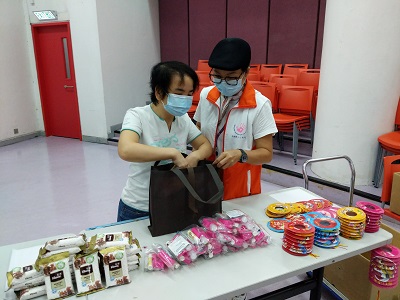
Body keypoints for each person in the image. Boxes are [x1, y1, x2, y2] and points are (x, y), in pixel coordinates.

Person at [117, 61, 213, 222]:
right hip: (138, 207)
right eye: (179, 92)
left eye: (190, 94)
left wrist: (194, 157)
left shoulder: (182, 119)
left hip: (173, 203)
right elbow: (126, 150)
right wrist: (172, 153)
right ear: (159, 92)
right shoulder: (137, 115)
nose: (186, 99)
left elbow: (205, 145)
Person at [194, 37, 278, 201]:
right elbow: (198, 130)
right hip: (207, 174)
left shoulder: (259, 105)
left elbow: (266, 153)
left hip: (240, 182)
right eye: (217, 76)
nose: (223, 82)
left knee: (239, 223)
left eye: (231, 77)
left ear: (246, 72)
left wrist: (240, 154)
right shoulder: (206, 95)